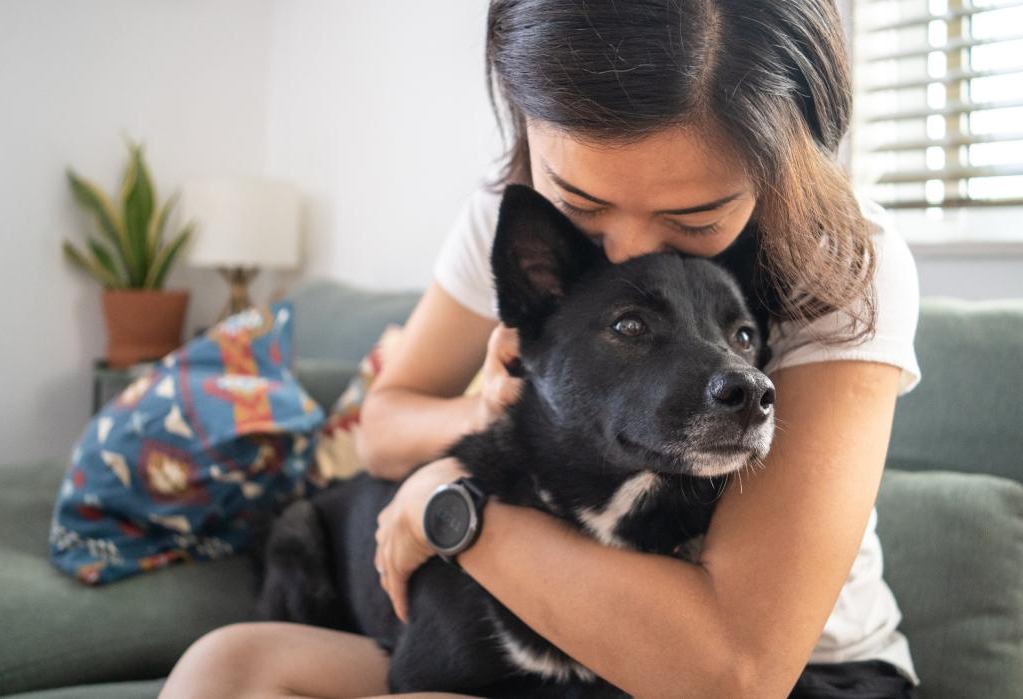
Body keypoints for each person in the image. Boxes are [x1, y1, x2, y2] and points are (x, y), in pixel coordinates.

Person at [160, 1, 923, 697]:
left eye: (693, 222)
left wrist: (446, 506)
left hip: (787, 669)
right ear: (525, 126)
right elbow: (382, 421)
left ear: (781, 159)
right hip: (544, 621)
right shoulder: (512, 215)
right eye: (583, 206)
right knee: (225, 669)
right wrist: (482, 408)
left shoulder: (843, 259)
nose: (626, 252)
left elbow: (733, 671)